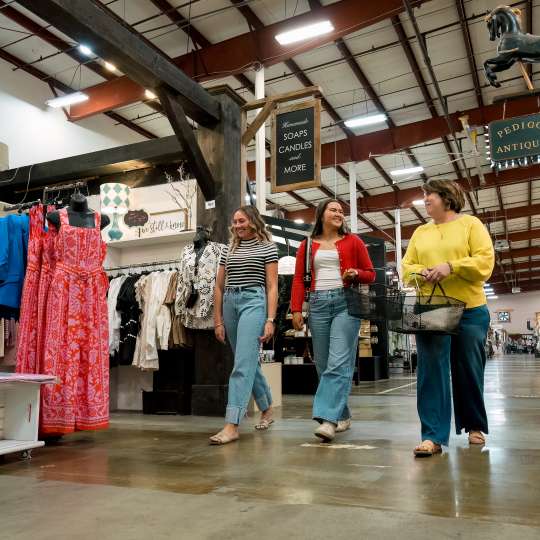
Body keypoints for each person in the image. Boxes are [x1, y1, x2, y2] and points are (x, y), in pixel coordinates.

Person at [402, 179, 495, 457]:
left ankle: (474, 425)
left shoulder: (471, 225)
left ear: (447, 197)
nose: (425, 199)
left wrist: (451, 266)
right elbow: (406, 267)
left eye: (429, 194)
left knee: (468, 368)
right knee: (431, 371)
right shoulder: (420, 232)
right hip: (432, 308)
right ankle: (432, 435)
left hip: (470, 309)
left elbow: (484, 262)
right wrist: (423, 272)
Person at [291, 200, 375, 442]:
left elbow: (370, 273)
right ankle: (343, 414)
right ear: (321, 215)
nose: (339, 213)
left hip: (346, 302)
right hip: (317, 304)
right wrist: (297, 309)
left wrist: (356, 273)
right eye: (333, 210)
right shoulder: (306, 246)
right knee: (324, 365)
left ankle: (328, 420)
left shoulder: (354, 241)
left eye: (341, 211)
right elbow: (298, 279)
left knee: (338, 361)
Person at [210, 205, 278, 445]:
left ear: (253, 221)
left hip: (253, 301)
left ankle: (232, 424)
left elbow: (272, 286)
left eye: (242, 221)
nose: (237, 225)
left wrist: (270, 319)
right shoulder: (228, 249)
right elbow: (218, 286)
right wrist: (217, 320)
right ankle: (267, 408)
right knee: (248, 361)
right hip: (230, 302)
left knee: (241, 364)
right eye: (235, 222)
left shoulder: (268, 247)